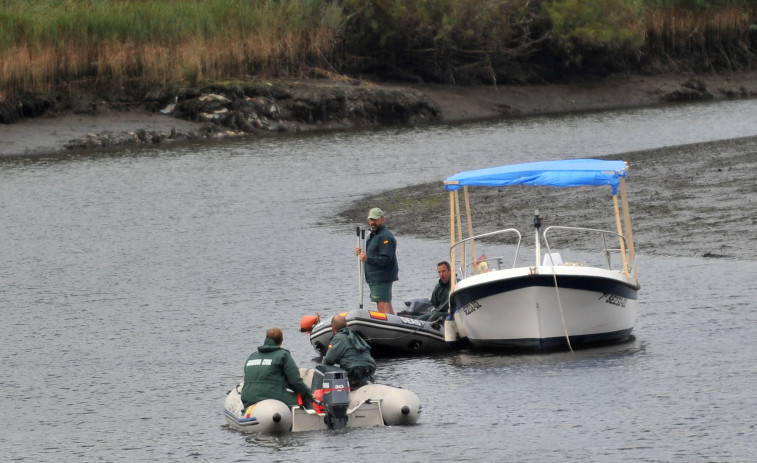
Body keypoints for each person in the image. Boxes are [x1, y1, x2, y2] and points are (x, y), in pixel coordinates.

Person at [241, 327, 313, 409]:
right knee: (303, 400)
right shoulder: (283, 355)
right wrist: (309, 395)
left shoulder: (252, 356)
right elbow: (295, 381)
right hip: (273, 397)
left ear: (266, 339)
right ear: (282, 340)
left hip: (248, 398)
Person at [355, 207, 398, 314]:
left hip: (382, 277)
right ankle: (391, 326)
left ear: (382, 219)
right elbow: (373, 253)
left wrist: (368, 259)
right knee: (382, 303)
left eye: (375, 219)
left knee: (383, 304)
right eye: (371, 219)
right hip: (375, 277)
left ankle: (390, 327)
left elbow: (386, 260)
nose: (372, 222)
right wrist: (361, 253)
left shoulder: (385, 237)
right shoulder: (374, 234)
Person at [322, 314, 376, 389]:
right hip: (369, 371)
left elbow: (328, 361)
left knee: (320, 367)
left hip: (354, 373)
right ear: (347, 325)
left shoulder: (338, 338)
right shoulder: (356, 336)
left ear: (333, 329)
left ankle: (317, 394)